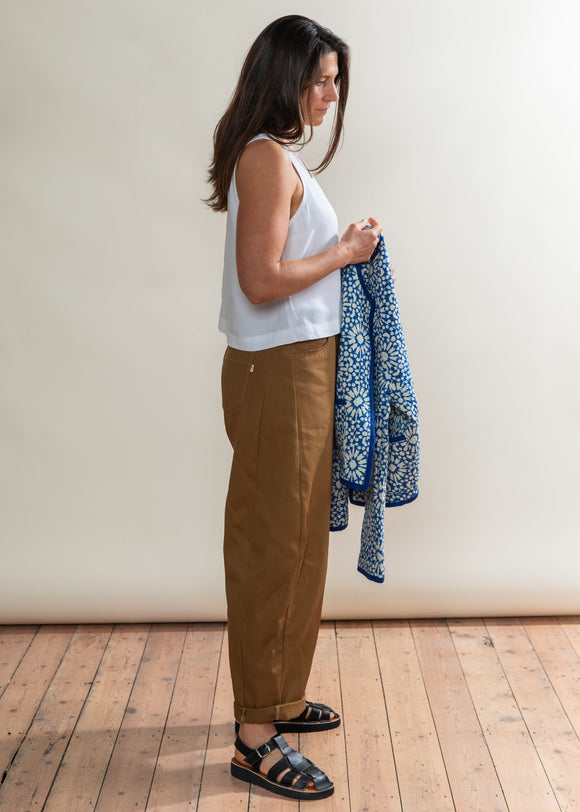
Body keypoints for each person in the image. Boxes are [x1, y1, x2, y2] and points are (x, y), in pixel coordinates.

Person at [206, 14, 381, 801]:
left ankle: (276, 701)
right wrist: (344, 252)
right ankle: (255, 739)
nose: (328, 95)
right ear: (281, 77)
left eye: (335, 83)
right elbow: (262, 280)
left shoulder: (279, 159)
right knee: (274, 547)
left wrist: (341, 246)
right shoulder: (266, 160)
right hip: (277, 373)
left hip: (299, 367)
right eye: (317, 80)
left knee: (302, 539)